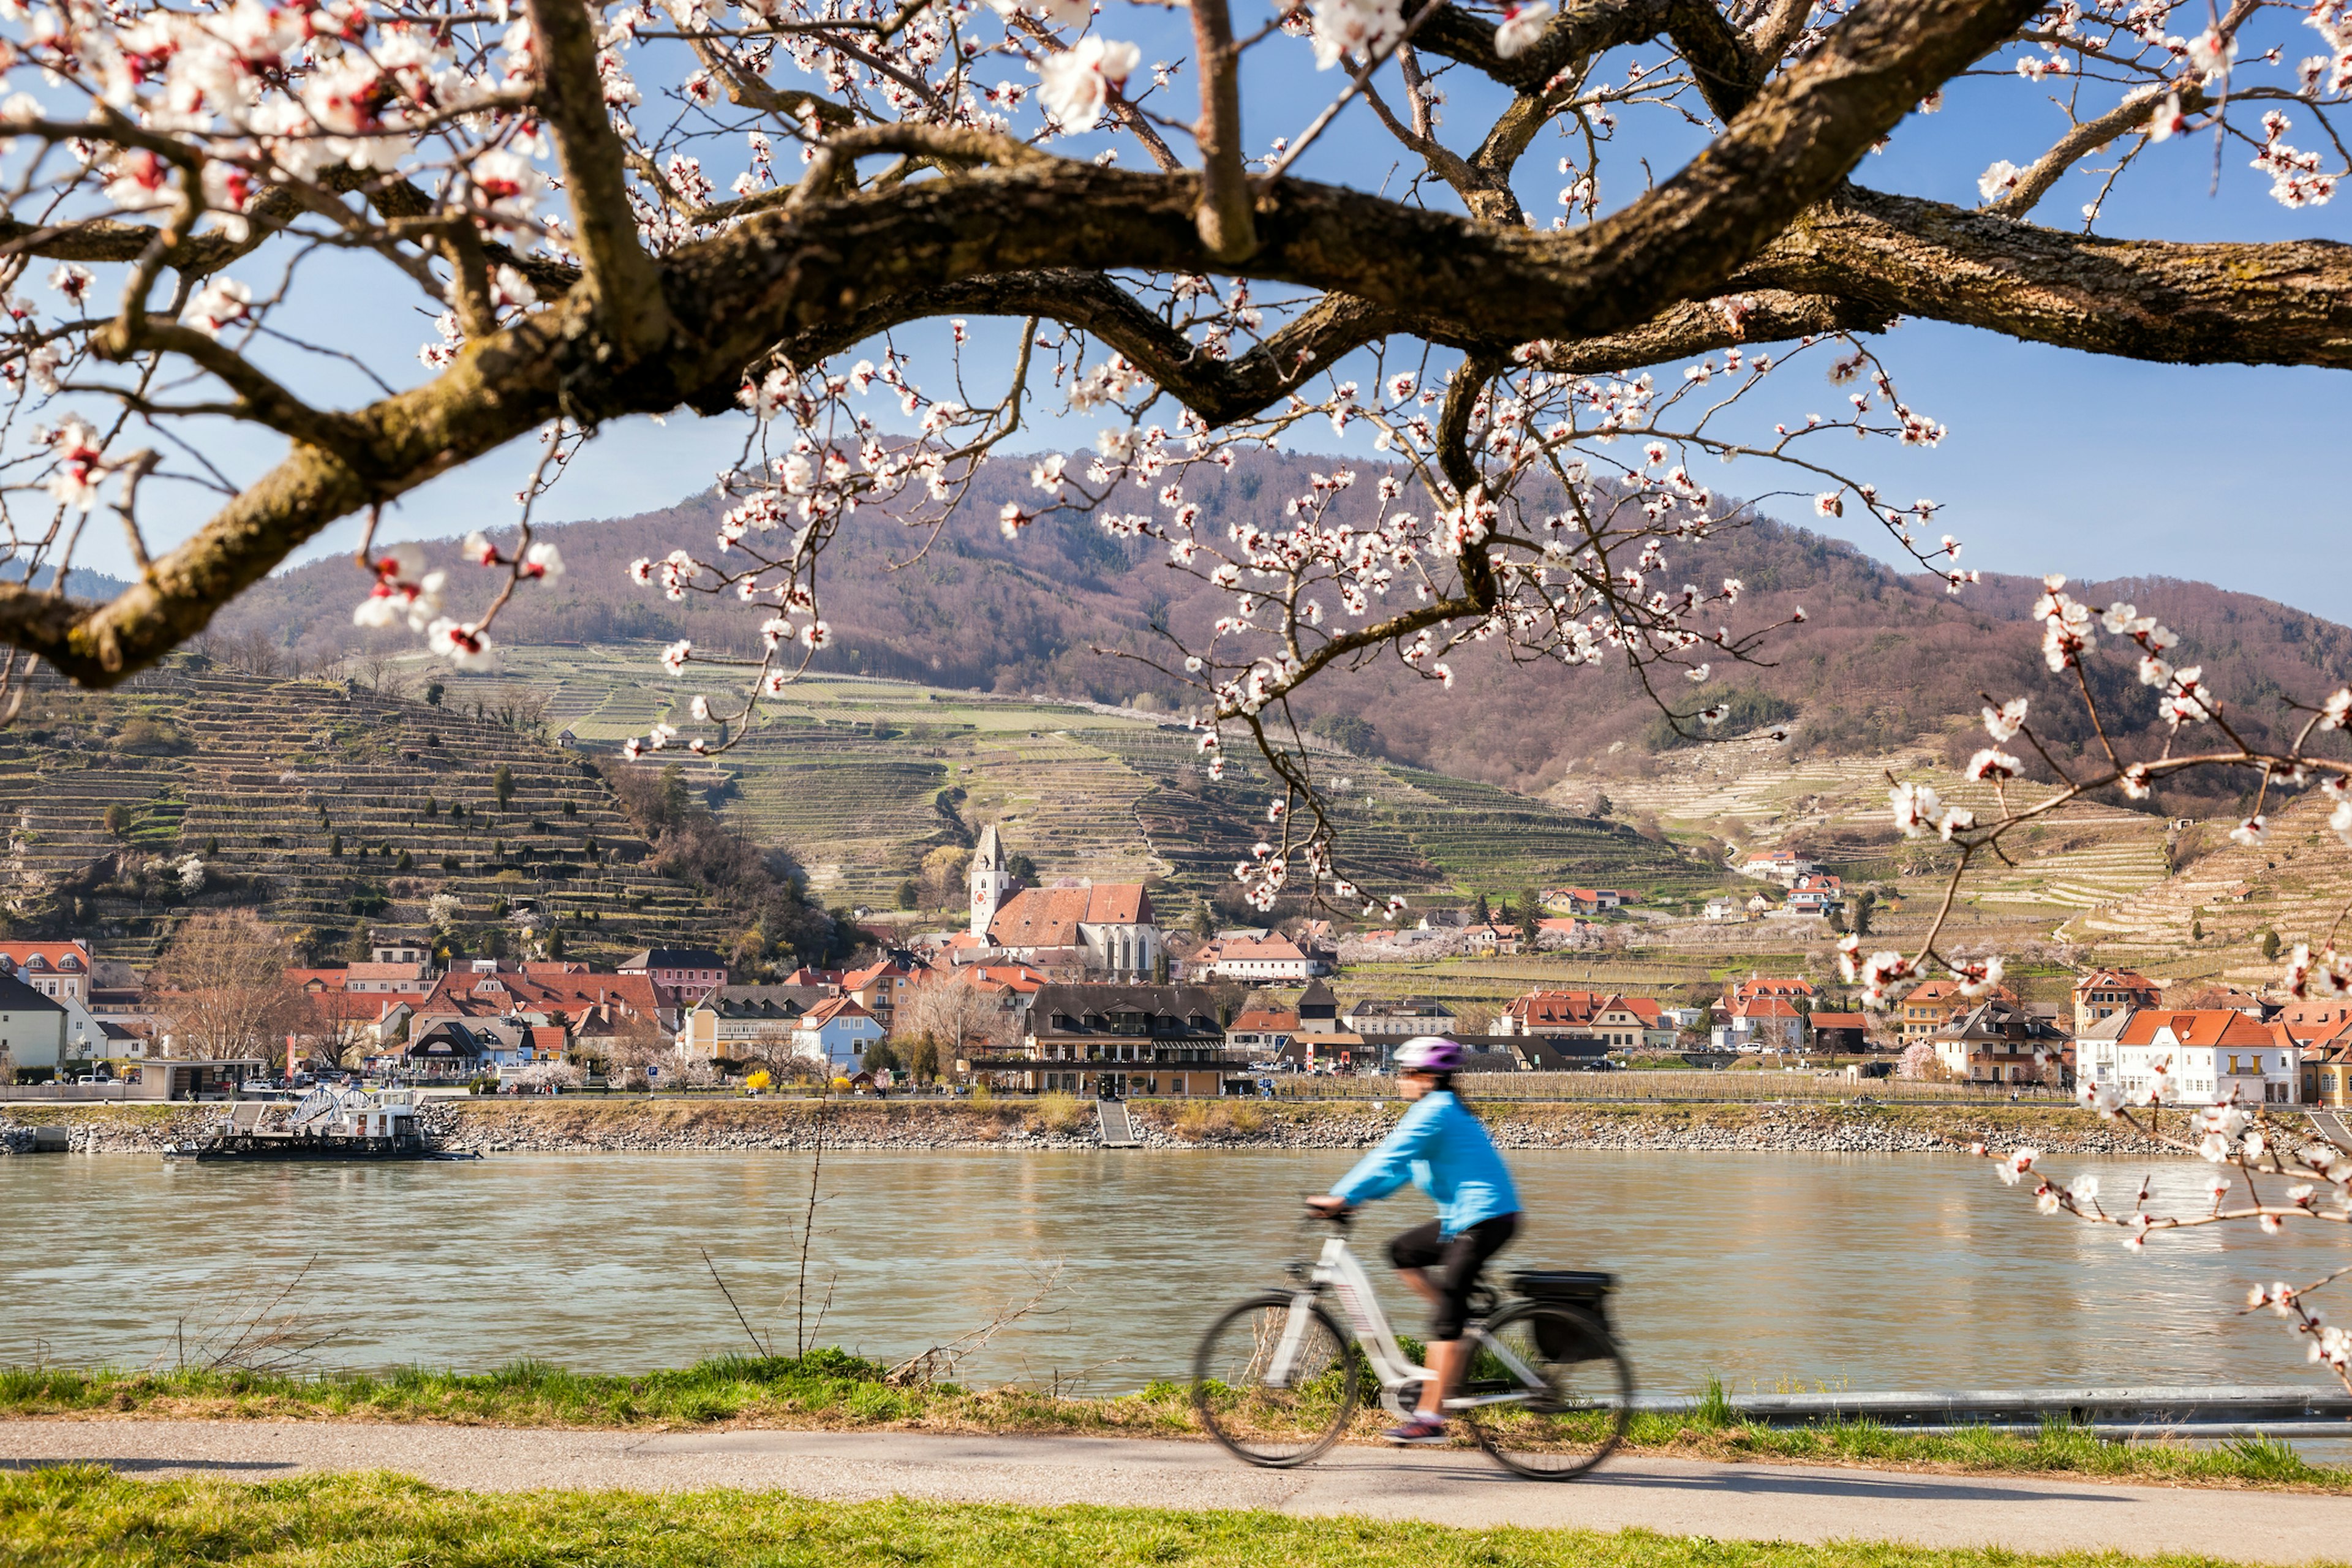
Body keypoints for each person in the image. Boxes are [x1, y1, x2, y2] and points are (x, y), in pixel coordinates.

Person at [1307, 1036, 1521, 1444]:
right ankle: (1457, 1318)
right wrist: (1357, 1200)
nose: (1400, 1080)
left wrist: (1341, 1196)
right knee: (1403, 1251)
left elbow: (1388, 1156)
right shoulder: (1435, 1111)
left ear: (1427, 1077)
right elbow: (1401, 1170)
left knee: (1443, 1323)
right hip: (1464, 1219)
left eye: (1406, 1073)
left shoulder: (1435, 1111)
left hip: (1486, 1220)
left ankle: (1430, 1418)